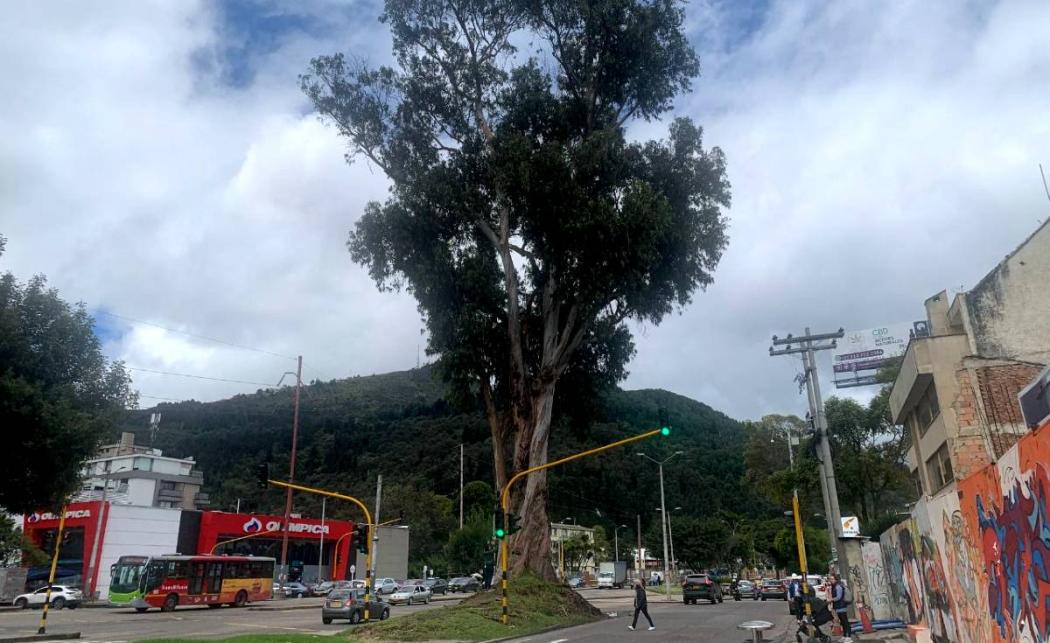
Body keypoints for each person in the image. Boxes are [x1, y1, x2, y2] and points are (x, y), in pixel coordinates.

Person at [830, 574, 853, 643]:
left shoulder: (838, 587)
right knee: (842, 622)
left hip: (841, 607)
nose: (831, 580)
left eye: (832, 579)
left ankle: (849, 637)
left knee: (845, 622)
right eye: (830, 579)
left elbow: (838, 597)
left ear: (836, 579)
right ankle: (844, 636)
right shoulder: (835, 586)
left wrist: (831, 599)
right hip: (839, 607)